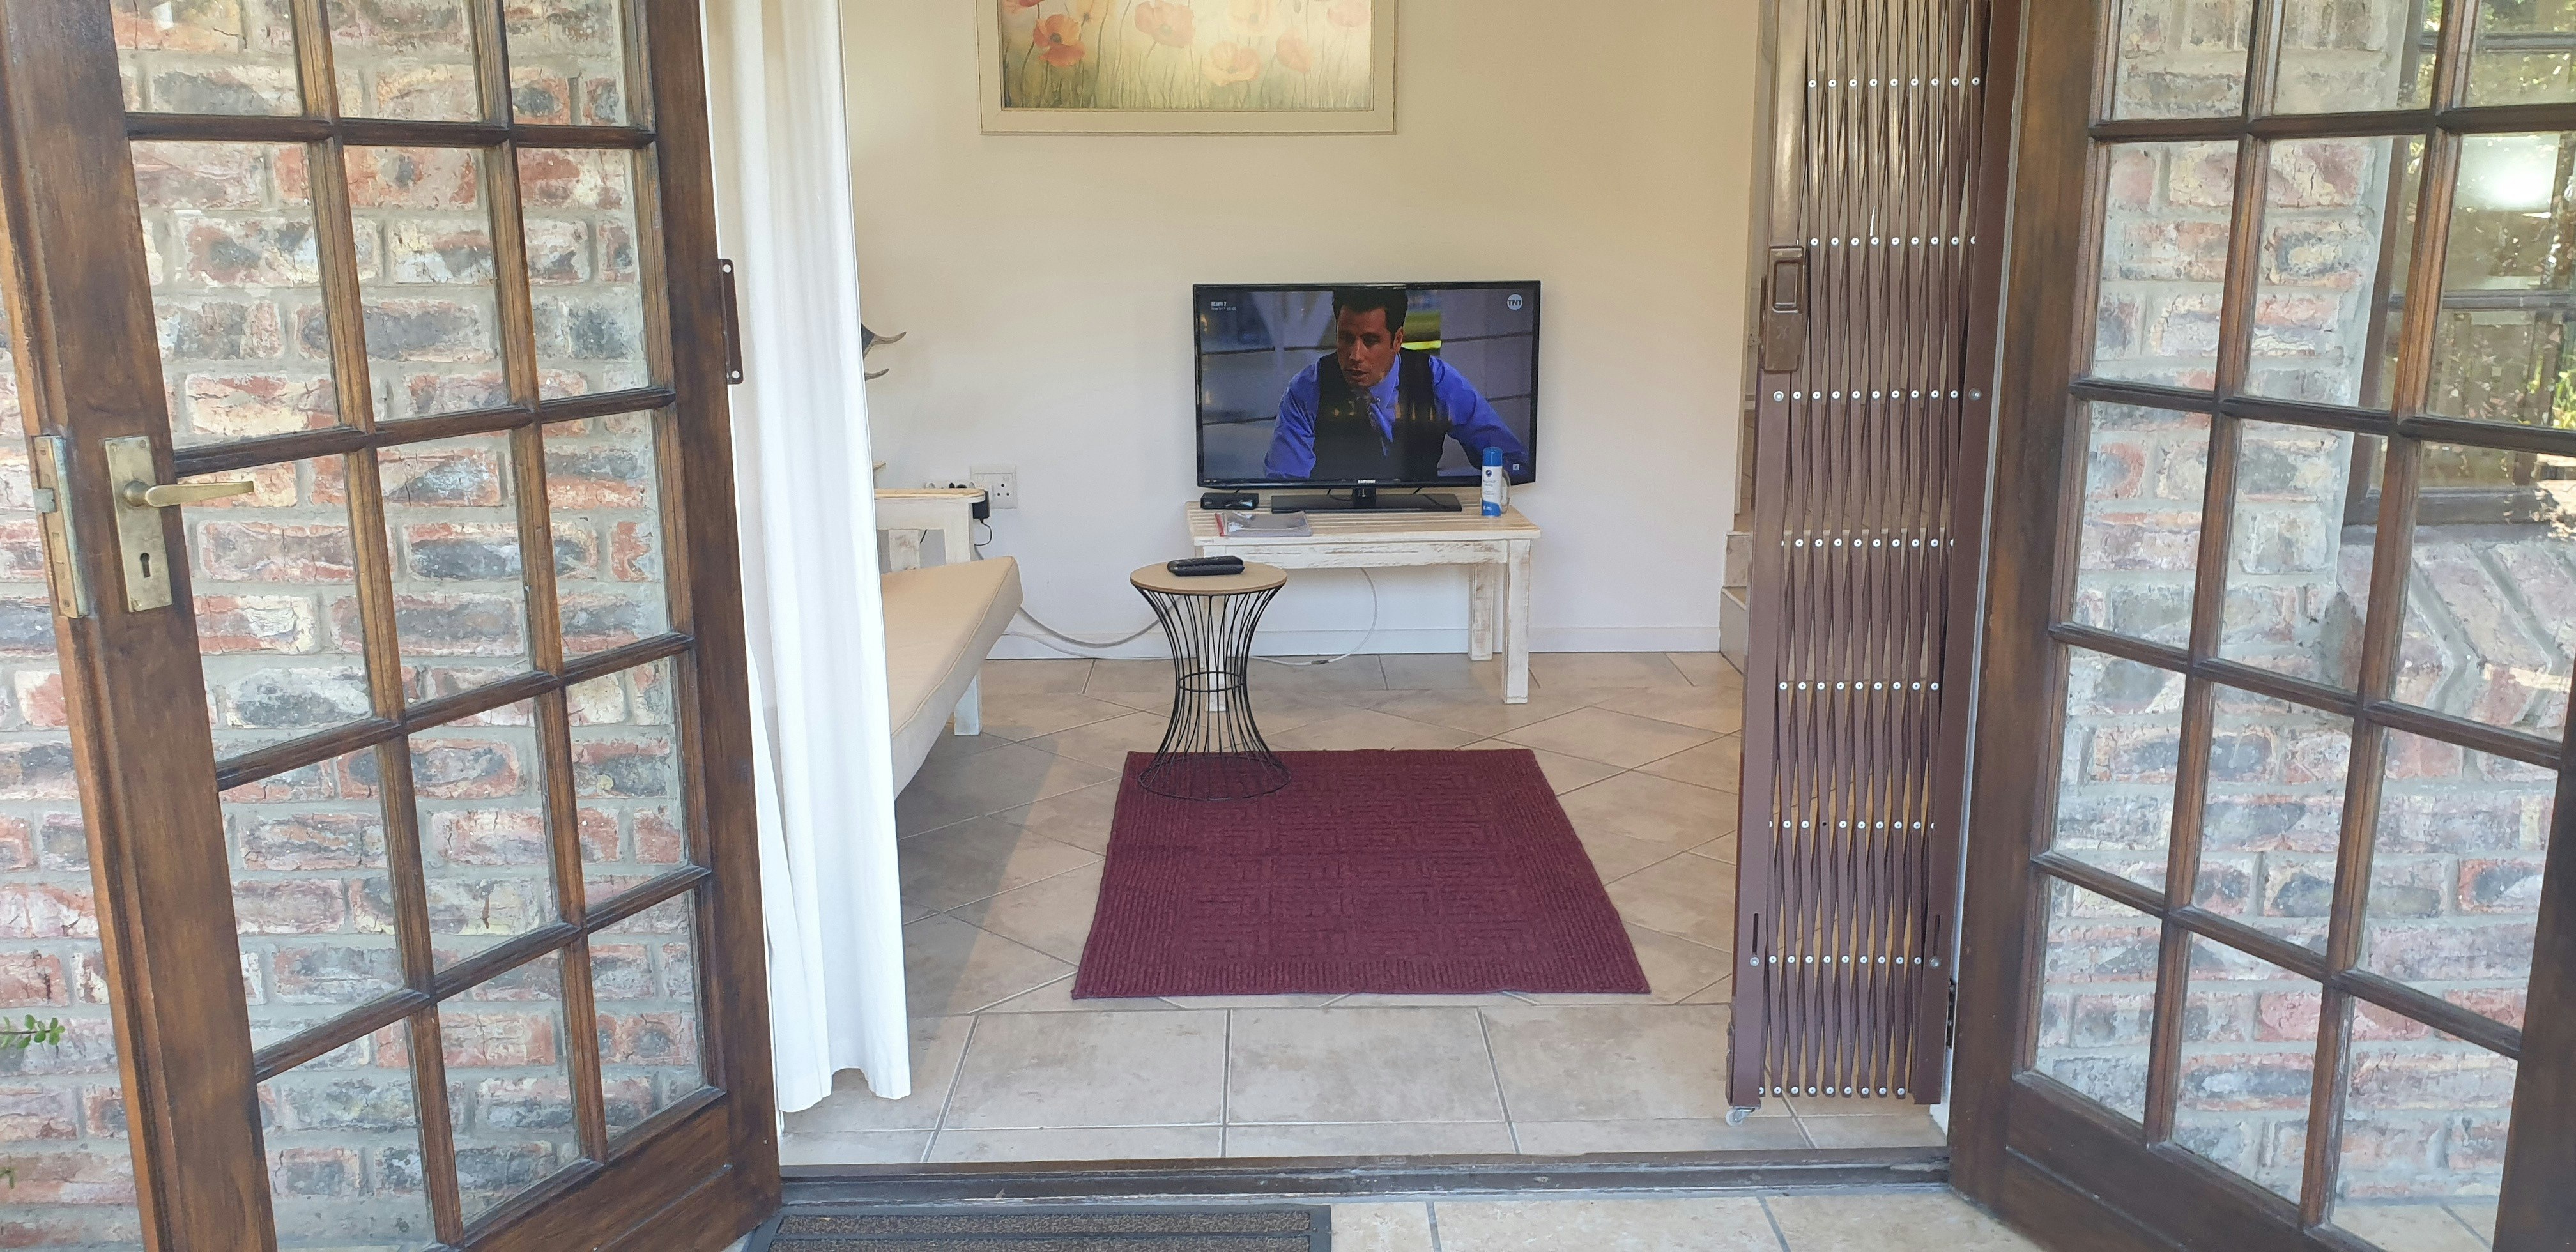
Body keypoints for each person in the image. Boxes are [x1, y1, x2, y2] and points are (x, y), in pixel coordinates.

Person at [1262, 287, 1529, 482]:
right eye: (1346, 338)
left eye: (1370, 341)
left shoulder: (1436, 379)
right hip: (1336, 522)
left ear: (1398, 340)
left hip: (1420, 520)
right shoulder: (1307, 390)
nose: (1355, 356)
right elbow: (1286, 484)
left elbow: (1512, 460)